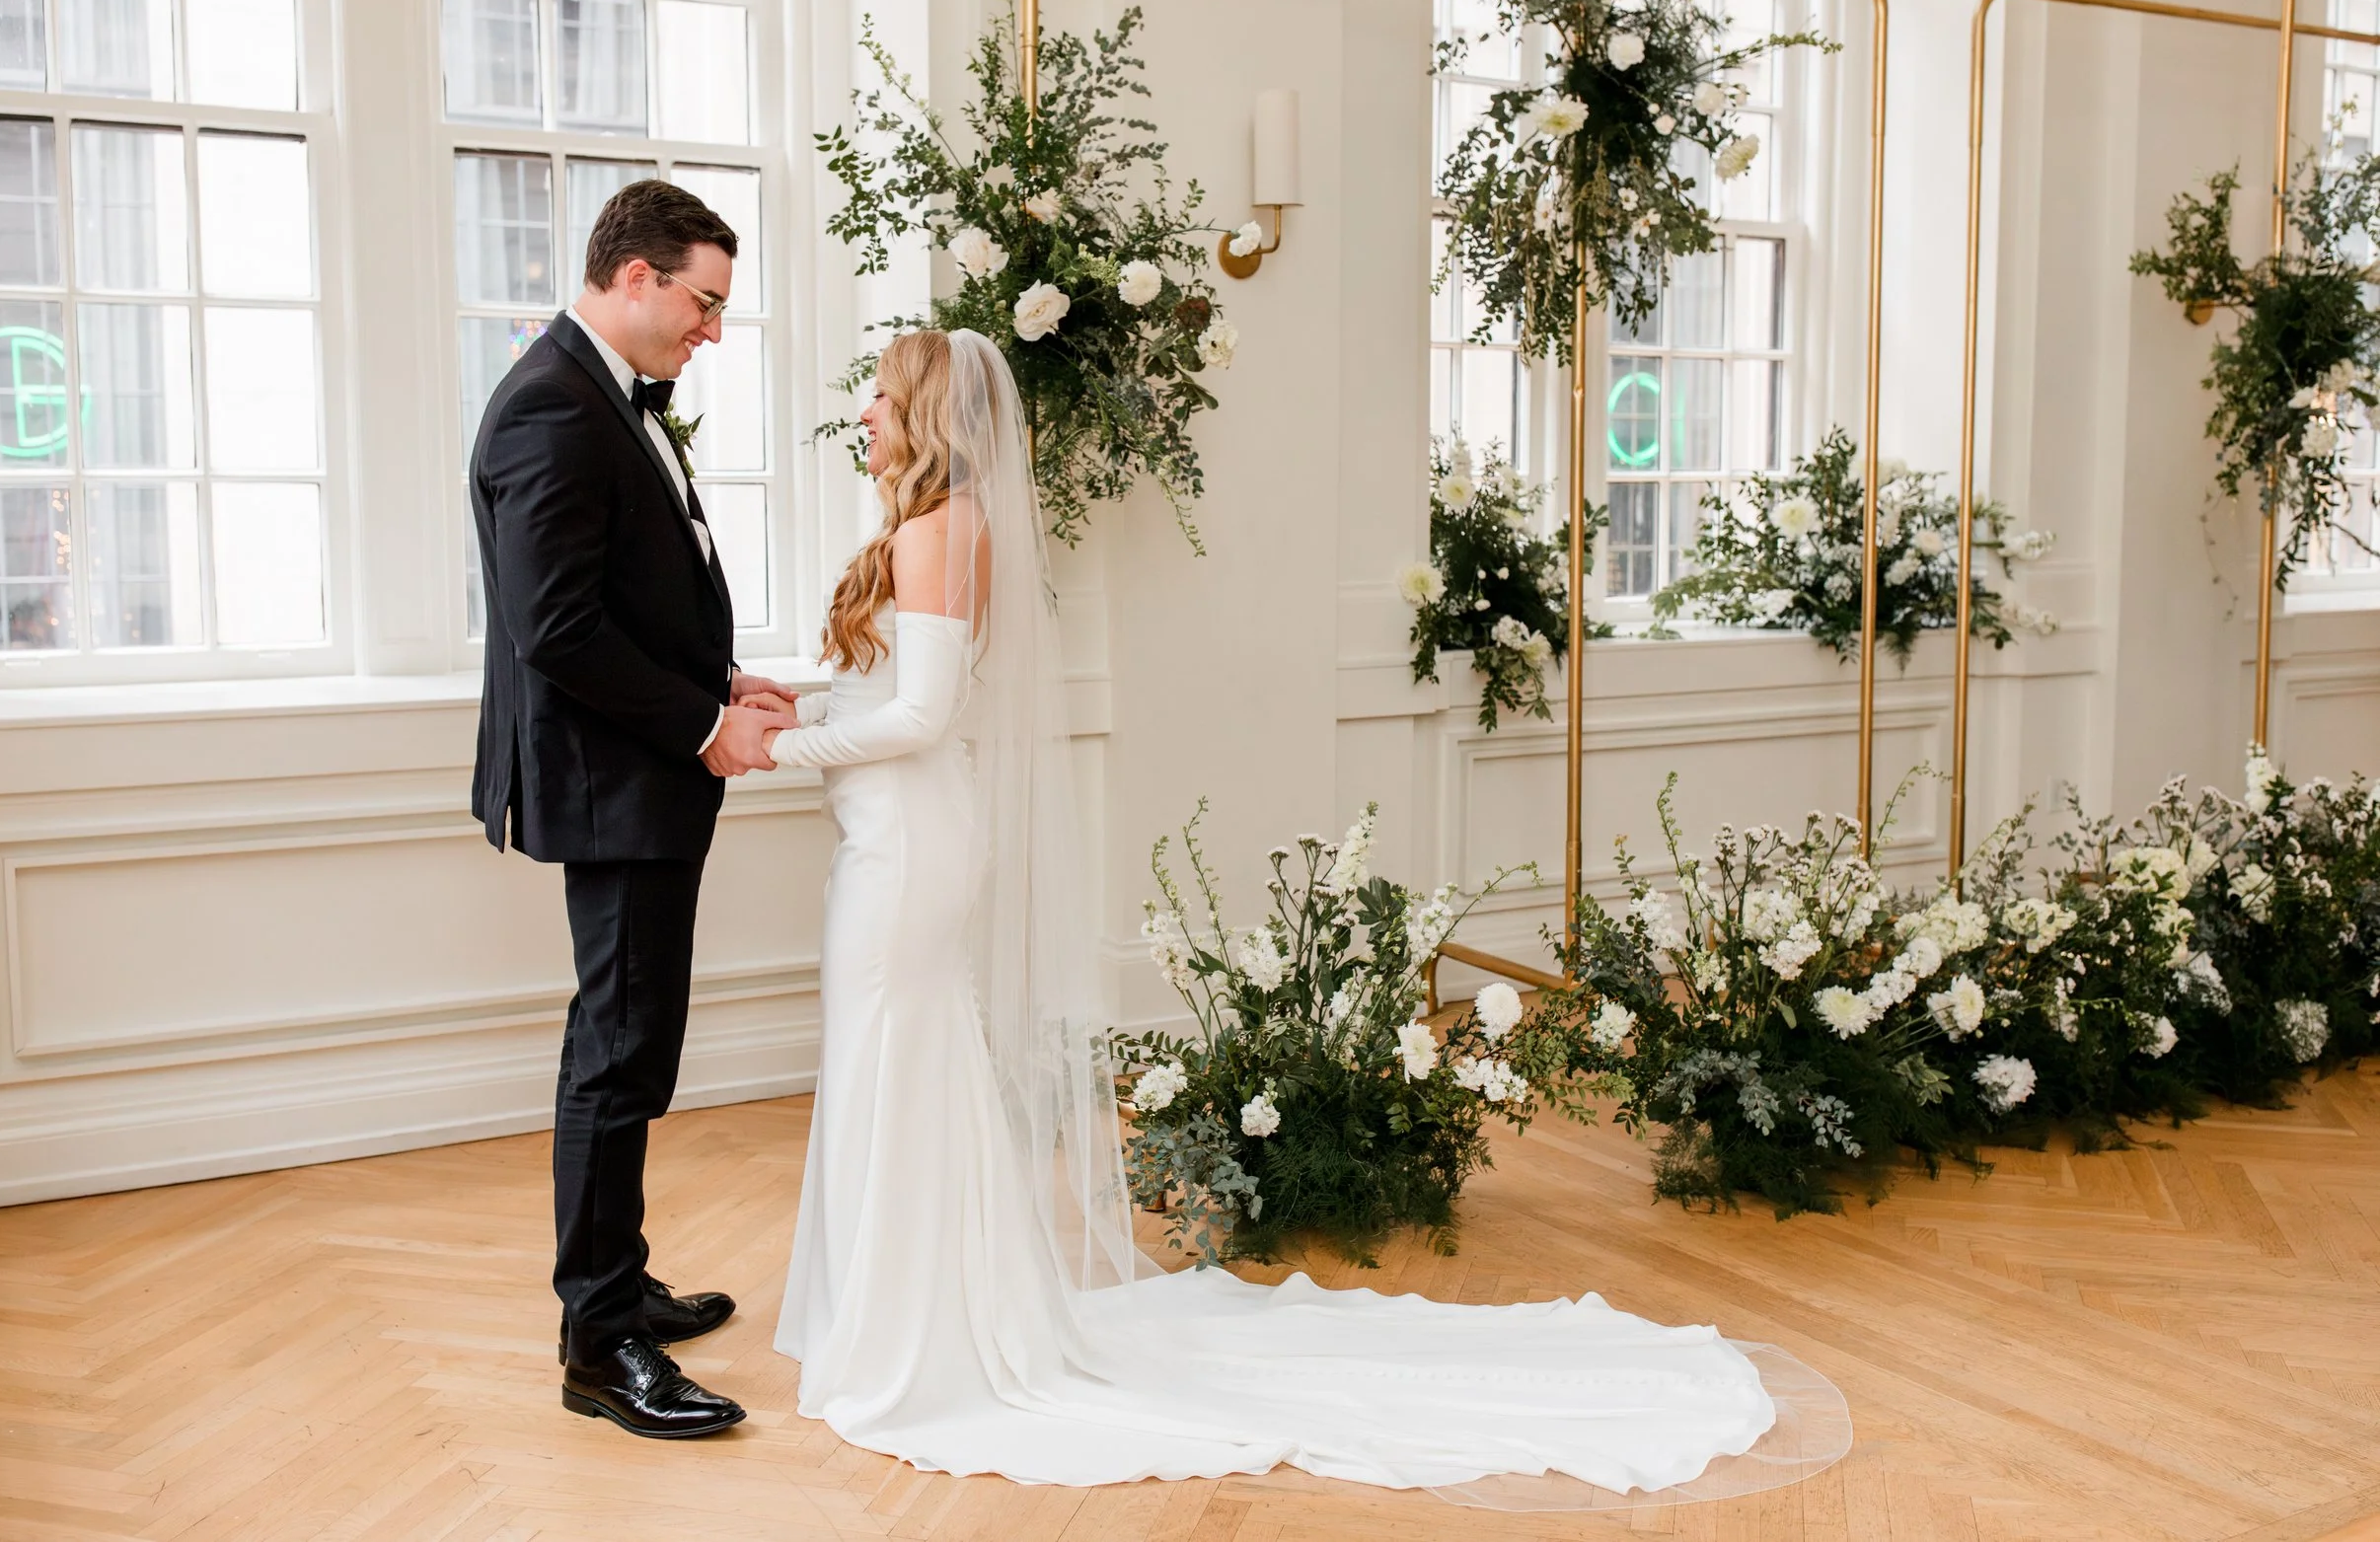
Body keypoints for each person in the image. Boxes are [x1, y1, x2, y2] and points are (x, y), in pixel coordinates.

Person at [751, 326, 1844, 1499]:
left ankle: (918, 1330)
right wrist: (796, 692)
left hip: (909, 847)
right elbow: (905, 686)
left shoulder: (941, 528)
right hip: (894, 838)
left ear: (922, 412)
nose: (863, 413)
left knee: (894, 1054)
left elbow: (921, 718)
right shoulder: (931, 529)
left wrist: (769, 752)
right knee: (894, 1058)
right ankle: (904, 1313)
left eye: (876, 395)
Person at [470, 179, 795, 1440]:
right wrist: (703, 725)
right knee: (615, 1055)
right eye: (705, 303)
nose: (712, 330)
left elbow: (628, 596)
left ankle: (619, 1282)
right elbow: (554, 627)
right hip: (615, 784)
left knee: (632, 1038)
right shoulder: (552, 405)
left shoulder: (601, 391)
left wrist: (718, 678)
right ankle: (598, 1342)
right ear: (638, 277)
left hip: (641, 768)